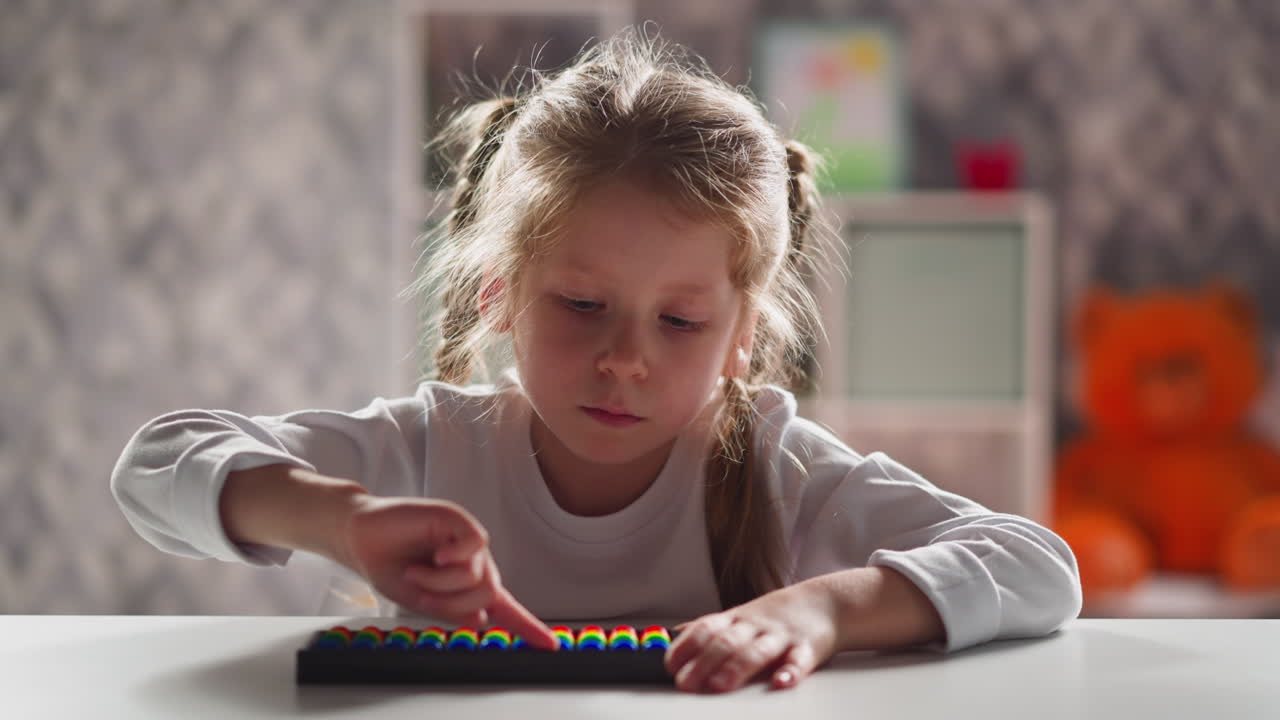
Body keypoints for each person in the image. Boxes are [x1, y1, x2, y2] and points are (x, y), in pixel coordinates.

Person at [111, 28, 1080, 694]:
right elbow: (156, 465)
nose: (624, 360)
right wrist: (340, 520)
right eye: (581, 306)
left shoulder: (777, 468)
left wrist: (818, 611)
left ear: (744, 332)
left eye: (682, 321)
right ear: (497, 289)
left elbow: (1036, 566)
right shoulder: (433, 449)